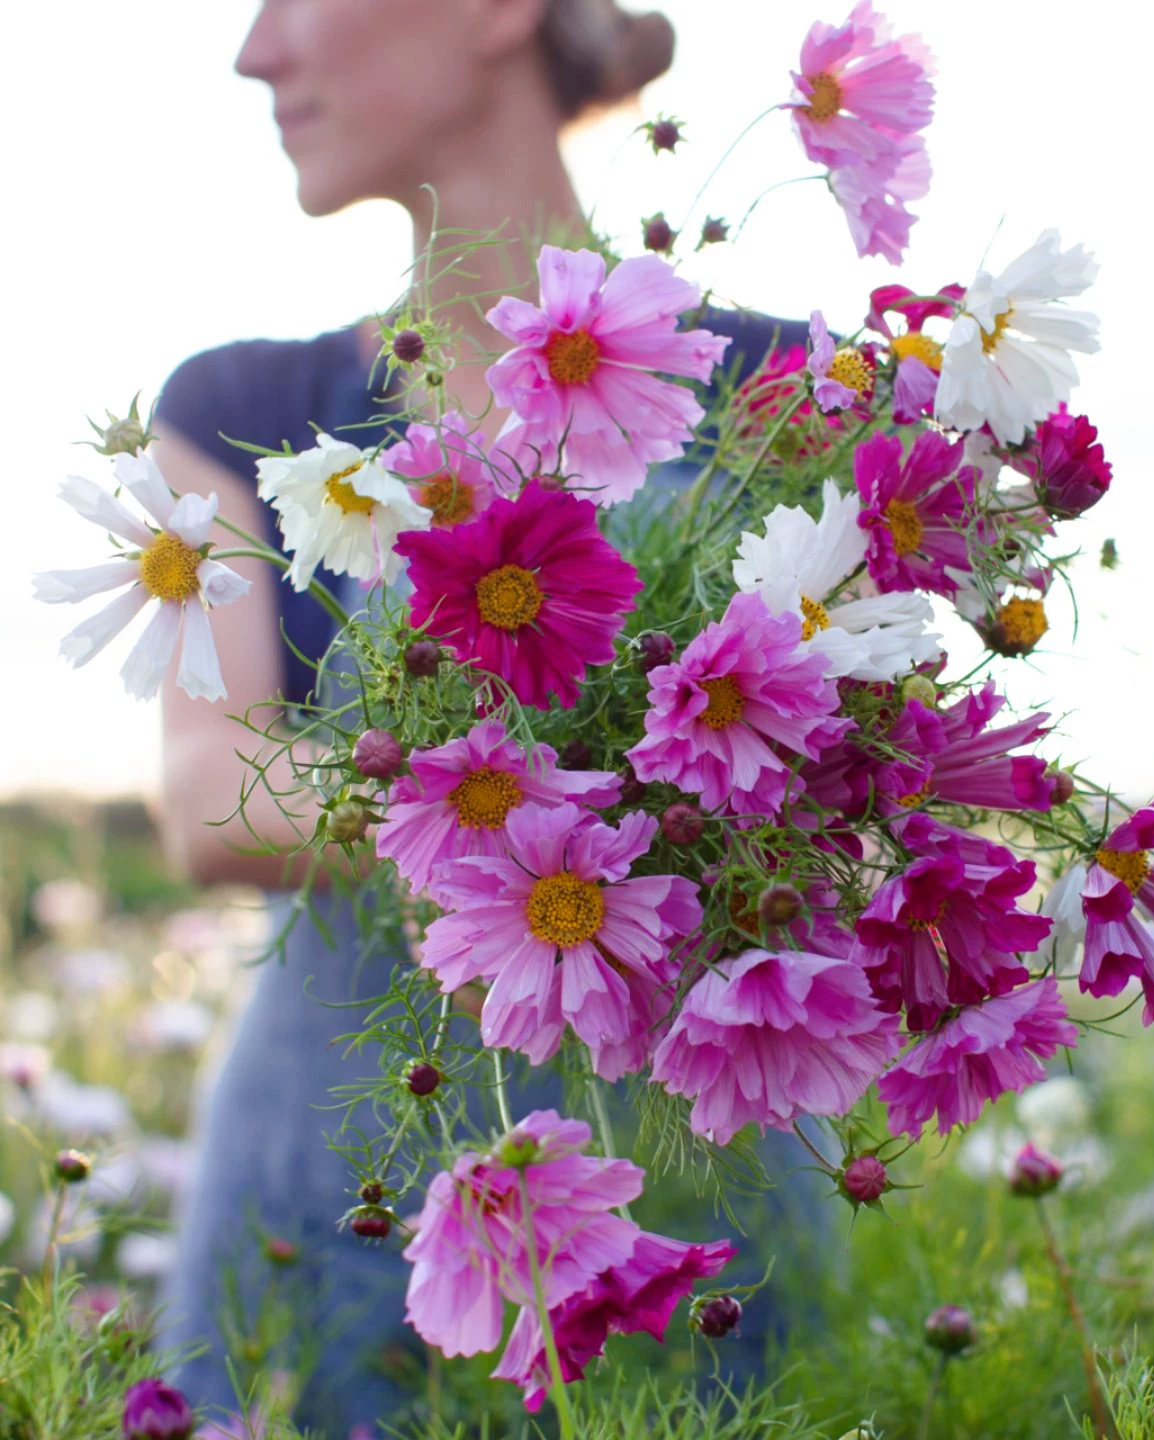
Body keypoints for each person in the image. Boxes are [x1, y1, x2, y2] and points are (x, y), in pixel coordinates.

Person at [153, 0, 813, 1432]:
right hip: (362, 1198)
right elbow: (211, 792)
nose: (253, 52)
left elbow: (865, 799)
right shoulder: (248, 411)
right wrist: (541, 826)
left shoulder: (787, 392)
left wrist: (533, 813)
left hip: (711, 1216)